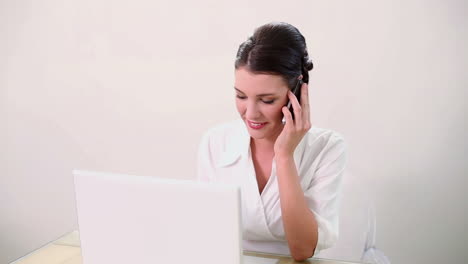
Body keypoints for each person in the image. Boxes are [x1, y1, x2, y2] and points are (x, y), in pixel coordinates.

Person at [197, 22, 347, 262]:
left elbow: (302, 249)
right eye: (241, 96)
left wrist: (285, 156)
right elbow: (205, 233)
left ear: (296, 92)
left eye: (267, 100)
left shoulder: (327, 147)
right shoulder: (216, 142)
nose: (251, 113)